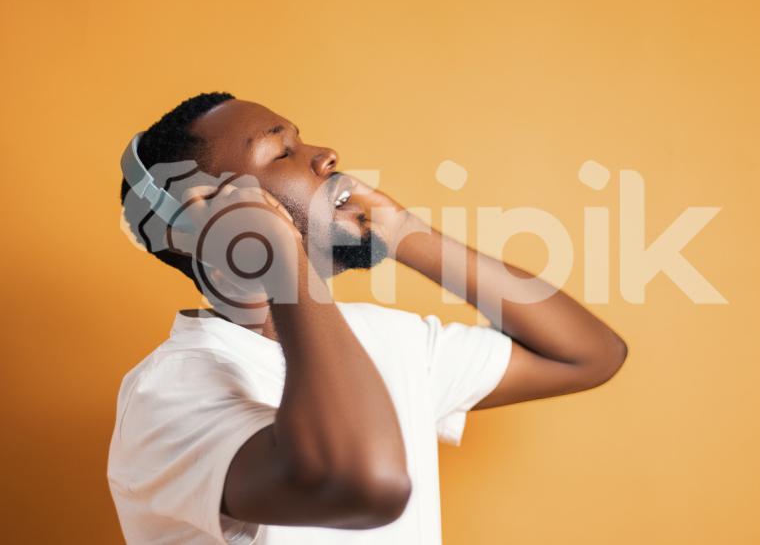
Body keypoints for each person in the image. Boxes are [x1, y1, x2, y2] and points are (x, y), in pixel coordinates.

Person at [107, 91, 628, 545]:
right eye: (281, 151)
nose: (326, 155)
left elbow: (588, 355)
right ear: (207, 221)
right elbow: (365, 484)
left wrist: (402, 232)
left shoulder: (385, 338)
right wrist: (277, 258)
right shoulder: (170, 391)